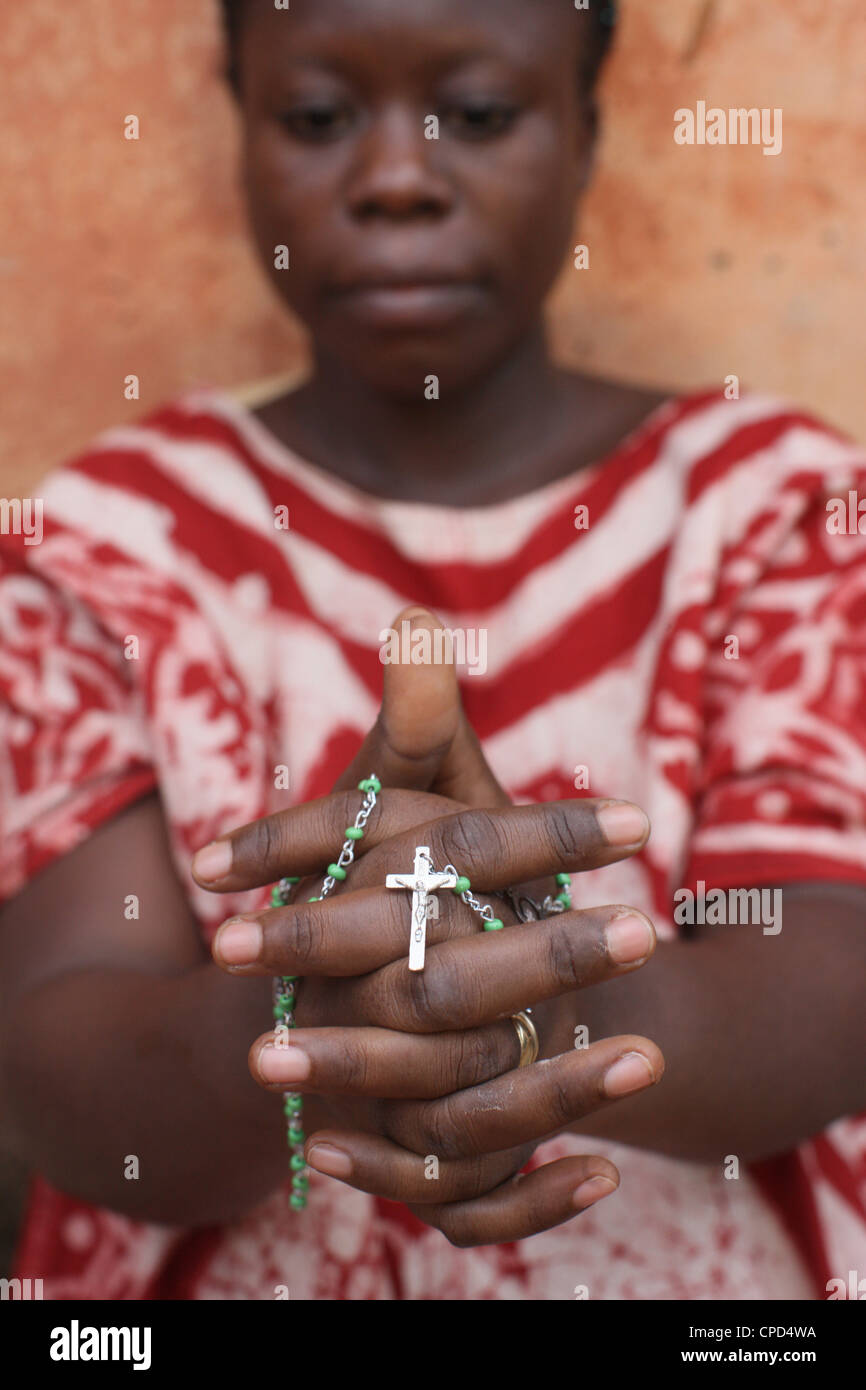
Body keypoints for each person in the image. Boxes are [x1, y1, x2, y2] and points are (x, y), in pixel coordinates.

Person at [1, 0, 865, 1301]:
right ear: (238, 128)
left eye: (475, 113)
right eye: (315, 117)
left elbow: (829, 977)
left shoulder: (777, 511)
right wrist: (311, 1012)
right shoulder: (102, 550)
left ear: (586, 133)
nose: (396, 179)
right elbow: (67, 1064)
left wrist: (532, 998)